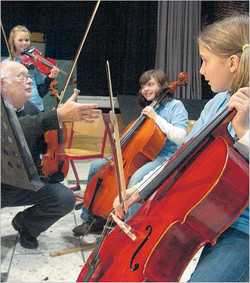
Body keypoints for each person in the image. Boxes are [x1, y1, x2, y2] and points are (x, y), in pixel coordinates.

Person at [113, 14, 249, 282]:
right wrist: (139, 191)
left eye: (205, 61)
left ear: (232, 62)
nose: (201, 70)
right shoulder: (218, 103)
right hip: (205, 214)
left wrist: (244, 131)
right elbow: (183, 156)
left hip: (243, 228)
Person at [72, 69, 189, 236]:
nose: (145, 89)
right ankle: (90, 218)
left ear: (162, 86)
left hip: (163, 157)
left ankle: (128, 228)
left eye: (150, 85)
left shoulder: (175, 107)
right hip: (138, 155)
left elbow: (180, 137)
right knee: (96, 166)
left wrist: (156, 117)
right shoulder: (150, 107)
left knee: (136, 178)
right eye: (143, 86)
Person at [1, 60, 102, 250]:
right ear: (2, 84)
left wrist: (58, 129)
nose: (30, 81)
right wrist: (53, 117)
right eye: (21, 77)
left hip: (25, 182)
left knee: (64, 198)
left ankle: (26, 225)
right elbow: (12, 131)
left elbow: (41, 144)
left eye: (29, 77)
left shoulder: (30, 109)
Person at [2, 25, 60, 111]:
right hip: (17, 109)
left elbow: (41, 92)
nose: (24, 43)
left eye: (27, 40)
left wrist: (50, 78)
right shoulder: (6, 64)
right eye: (20, 40)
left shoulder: (34, 63)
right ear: (13, 42)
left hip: (37, 108)